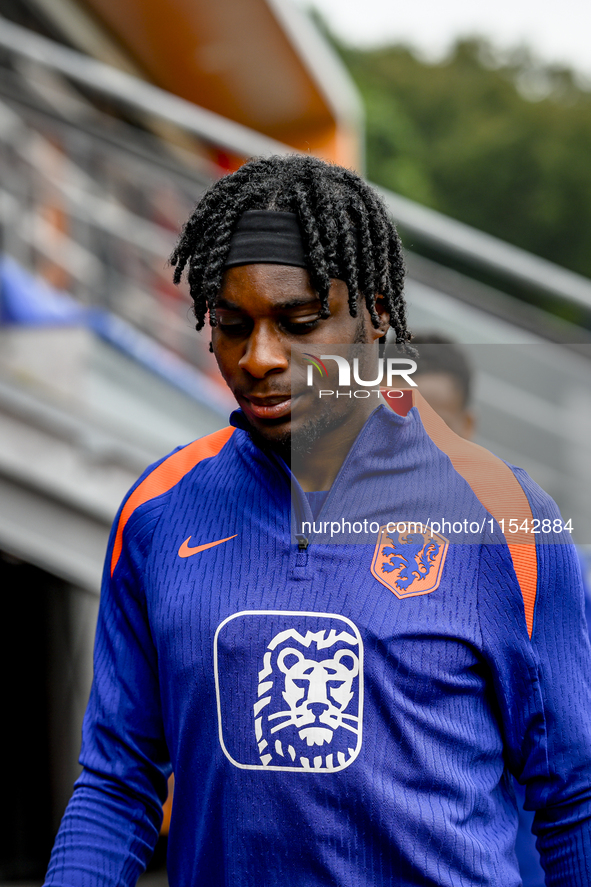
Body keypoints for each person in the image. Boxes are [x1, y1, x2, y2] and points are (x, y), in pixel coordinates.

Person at [44, 155, 591, 886]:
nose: (262, 357)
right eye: (233, 325)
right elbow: (117, 781)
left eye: (300, 322)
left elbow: (574, 798)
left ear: (376, 312)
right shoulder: (158, 512)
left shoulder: (506, 520)